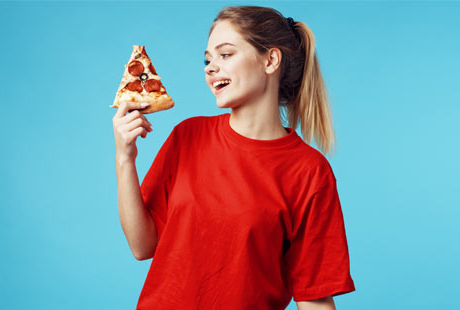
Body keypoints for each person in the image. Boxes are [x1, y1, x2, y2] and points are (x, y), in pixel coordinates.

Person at [112, 5, 355, 310]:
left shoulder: (309, 171)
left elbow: (314, 296)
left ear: (271, 60)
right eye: (207, 59)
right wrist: (125, 157)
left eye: (225, 54)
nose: (210, 68)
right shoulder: (188, 137)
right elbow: (141, 245)